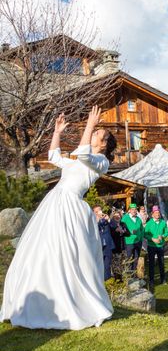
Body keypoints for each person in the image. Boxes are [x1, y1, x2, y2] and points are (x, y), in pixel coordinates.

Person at [1, 107, 115, 330]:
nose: (92, 133)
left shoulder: (101, 161)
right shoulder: (80, 157)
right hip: (54, 203)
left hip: (72, 207)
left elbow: (84, 154)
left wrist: (91, 124)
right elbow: (53, 156)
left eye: (97, 134)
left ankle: (74, 302)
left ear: (103, 144)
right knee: (42, 249)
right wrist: (57, 132)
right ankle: (39, 299)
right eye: (94, 131)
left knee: (68, 253)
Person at [145, 205, 168, 288]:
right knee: (151, 264)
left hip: (160, 246)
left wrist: (162, 236)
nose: (158, 214)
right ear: (152, 214)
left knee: (161, 263)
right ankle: (151, 281)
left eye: (158, 213)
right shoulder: (149, 223)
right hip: (151, 246)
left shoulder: (163, 222)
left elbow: (166, 232)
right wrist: (152, 239)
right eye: (156, 213)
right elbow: (145, 234)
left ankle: (163, 279)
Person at [93, 206, 115, 281]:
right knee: (99, 266)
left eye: (100, 210)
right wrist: (97, 221)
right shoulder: (92, 222)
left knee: (107, 265)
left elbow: (114, 226)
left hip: (108, 245)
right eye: (96, 212)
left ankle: (108, 282)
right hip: (98, 246)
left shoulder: (106, 220)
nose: (99, 212)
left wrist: (109, 219)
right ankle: (100, 282)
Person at [122, 203, 144, 270]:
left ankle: (134, 275)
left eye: (135, 209)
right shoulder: (125, 218)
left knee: (136, 259)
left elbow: (142, 229)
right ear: (129, 210)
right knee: (128, 259)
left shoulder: (138, 219)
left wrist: (141, 239)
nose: (134, 211)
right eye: (132, 209)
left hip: (138, 242)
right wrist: (130, 232)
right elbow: (122, 228)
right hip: (129, 242)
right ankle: (128, 276)